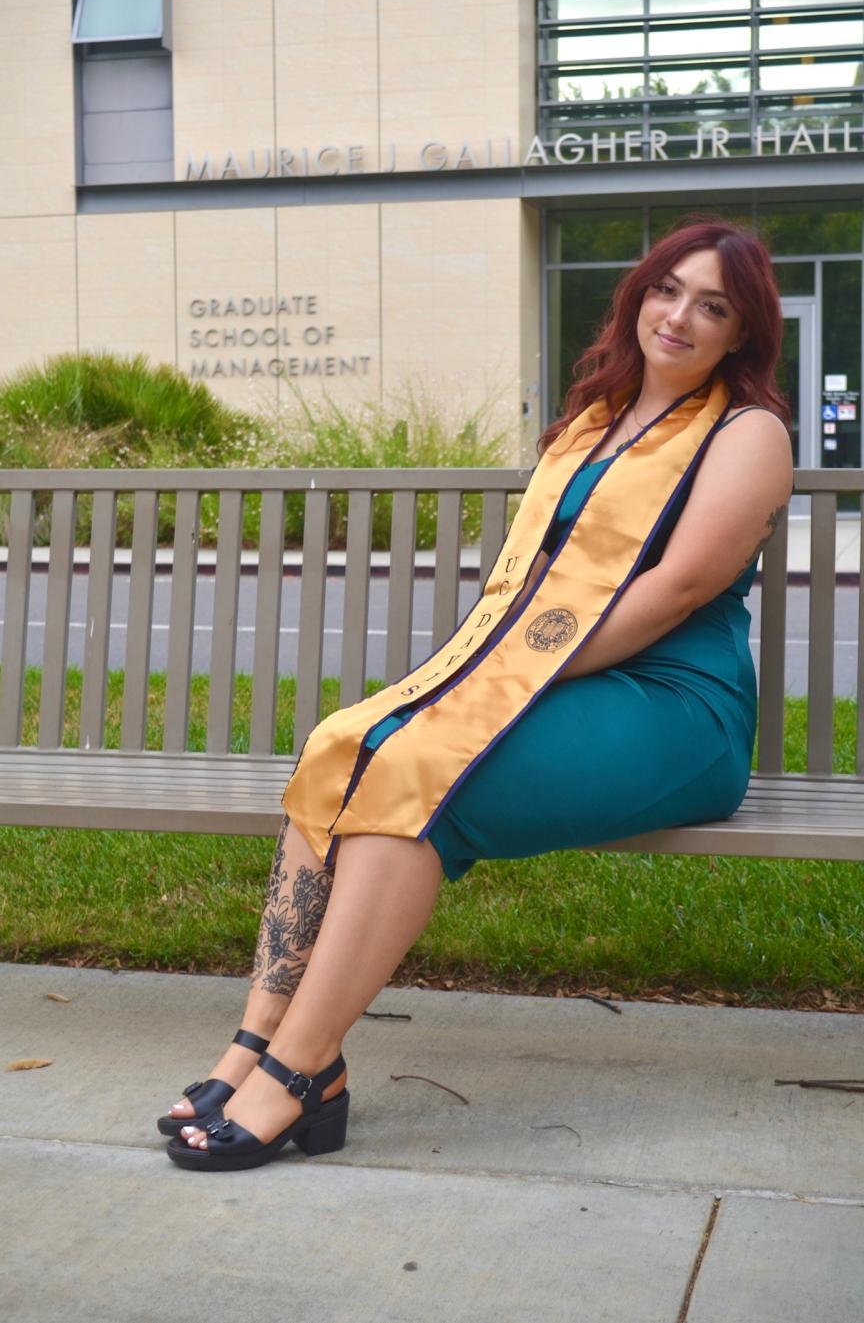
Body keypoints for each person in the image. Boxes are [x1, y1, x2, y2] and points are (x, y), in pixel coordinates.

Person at [161, 215, 793, 1172]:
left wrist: (504, 681)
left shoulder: (748, 432)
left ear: (741, 333)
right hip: (561, 677)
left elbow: (680, 588)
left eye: (714, 306)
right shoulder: (597, 419)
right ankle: (255, 1043)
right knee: (350, 742)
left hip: (672, 705)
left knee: (419, 777)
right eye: (669, 289)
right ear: (639, 294)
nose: (681, 316)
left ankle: (301, 1070)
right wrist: (489, 676)